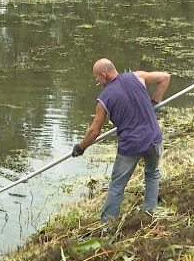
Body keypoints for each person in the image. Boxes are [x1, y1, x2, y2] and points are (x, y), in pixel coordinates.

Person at [71, 58, 171, 222]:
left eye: (97, 78)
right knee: (152, 174)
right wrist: (154, 101)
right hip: (154, 137)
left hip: (131, 145)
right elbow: (165, 77)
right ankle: (149, 213)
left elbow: (94, 130)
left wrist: (80, 147)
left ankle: (107, 224)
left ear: (104, 75)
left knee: (117, 185)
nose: (97, 81)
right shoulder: (138, 76)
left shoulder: (104, 99)